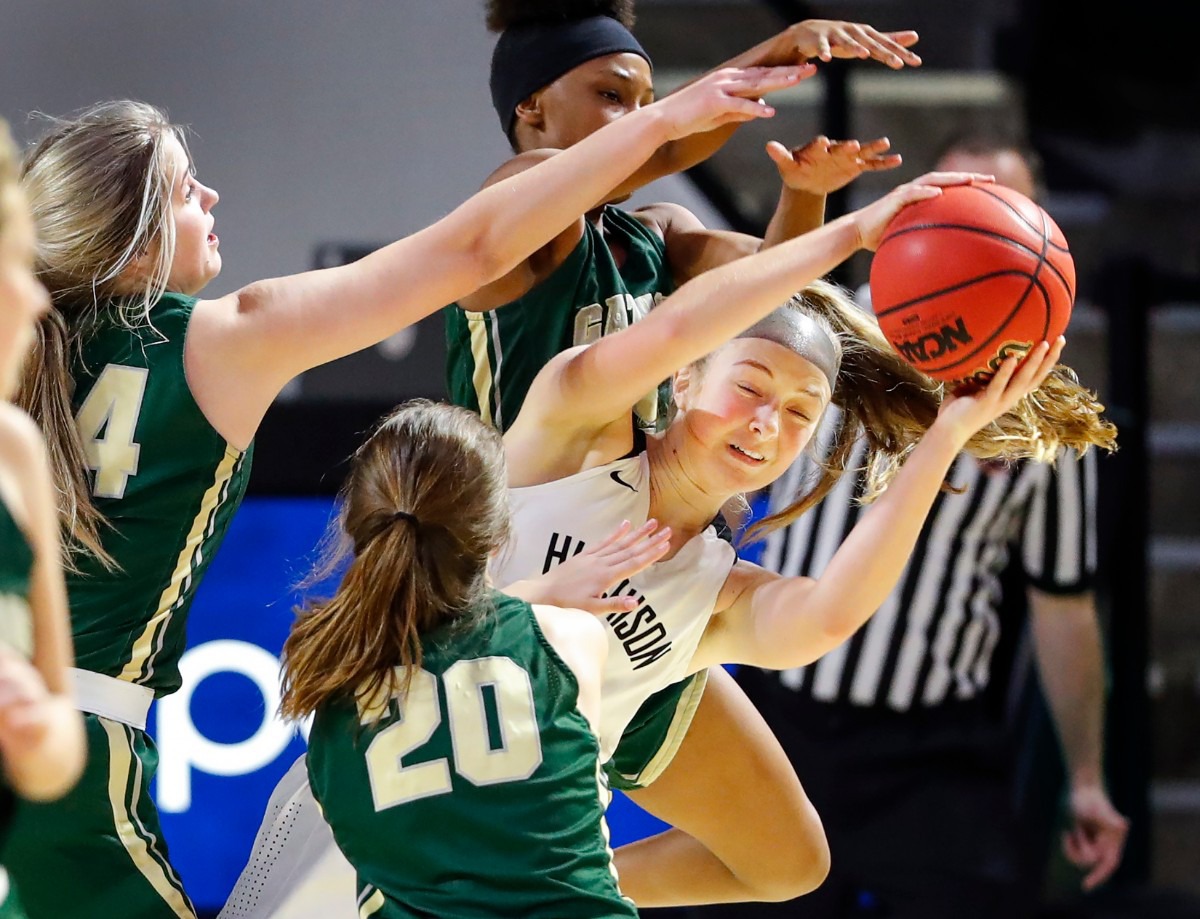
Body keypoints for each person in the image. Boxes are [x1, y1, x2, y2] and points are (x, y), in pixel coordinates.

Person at [1, 69, 798, 919]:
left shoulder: (20, 353)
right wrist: (660, 124)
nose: (210, 191)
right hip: (68, 749)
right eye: (183, 184)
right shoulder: (218, 342)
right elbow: (473, 249)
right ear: (134, 224)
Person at [688, 130, 1129, 919]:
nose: (987, 218)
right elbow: (743, 297)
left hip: (933, 748)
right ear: (918, 215)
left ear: (1036, 235)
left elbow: (1064, 604)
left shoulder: (1046, 404)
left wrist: (1087, 774)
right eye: (970, 201)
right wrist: (806, 201)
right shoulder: (823, 334)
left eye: (1009, 206)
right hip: (781, 715)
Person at [280, 399, 635, 918]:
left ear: (357, 526)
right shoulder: (570, 638)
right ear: (497, 534)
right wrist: (536, 594)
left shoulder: (327, 702)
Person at [0, 119, 86, 918]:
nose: (33, 296)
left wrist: (35, 732)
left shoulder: (16, 450)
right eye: (12, 266)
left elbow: (64, 738)